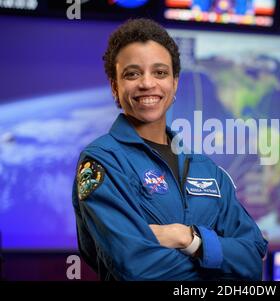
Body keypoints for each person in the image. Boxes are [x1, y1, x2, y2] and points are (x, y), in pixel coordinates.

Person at [72, 18, 268, 281]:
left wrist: (186, 238)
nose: (147, 83)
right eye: (132, 74)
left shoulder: (205, 167)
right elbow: (135, 267)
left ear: (175, 83)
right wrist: (219, 268)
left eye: (160, 72)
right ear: (114, 86)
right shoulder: (103, 161)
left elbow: (253, 259)